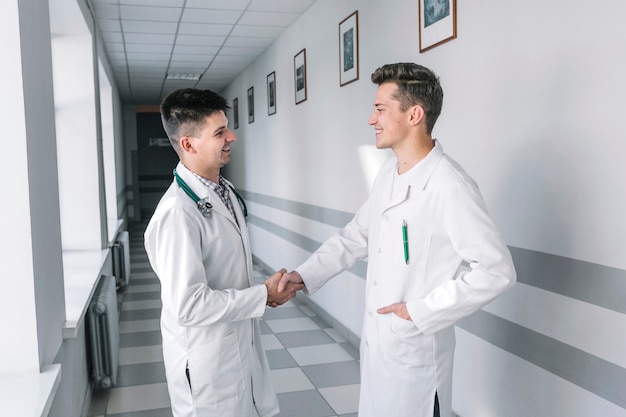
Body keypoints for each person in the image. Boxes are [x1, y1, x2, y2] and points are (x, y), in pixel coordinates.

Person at [278, 63, 516, 417]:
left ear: (414, 114)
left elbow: (496, 271)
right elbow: (357, 235)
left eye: (380, 109)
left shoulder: (450, 186)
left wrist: (418, 312)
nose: (372, 120)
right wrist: (305, 275)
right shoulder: (390, 172)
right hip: (382, 350)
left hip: (415, 358)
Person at [144, 88, 303, 417]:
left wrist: (264, 294)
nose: (232, 137)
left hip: (238, 343)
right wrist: (262, 294)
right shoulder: (177, 212)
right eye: (219, 132)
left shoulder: (224, 192)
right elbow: (187, 305)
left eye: (227, 127)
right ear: (189, 144)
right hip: (207, 364)